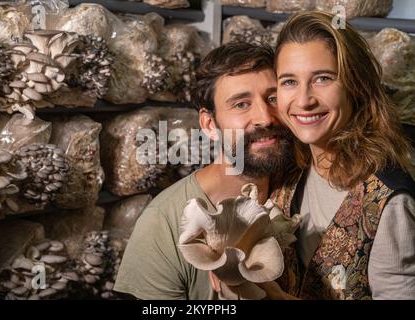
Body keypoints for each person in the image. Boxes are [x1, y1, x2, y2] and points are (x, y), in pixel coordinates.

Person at [114, 42, 295, 299]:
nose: (265, 117)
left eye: (273, 98)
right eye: (241, 104)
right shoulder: (164, 222)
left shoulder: (299, 188)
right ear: (209, 124)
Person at [270, 11, 415, 300]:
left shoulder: (388, 203)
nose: (304, 100)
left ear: (356, 86)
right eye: (289, 81)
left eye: (322, 78)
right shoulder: (288, 170)